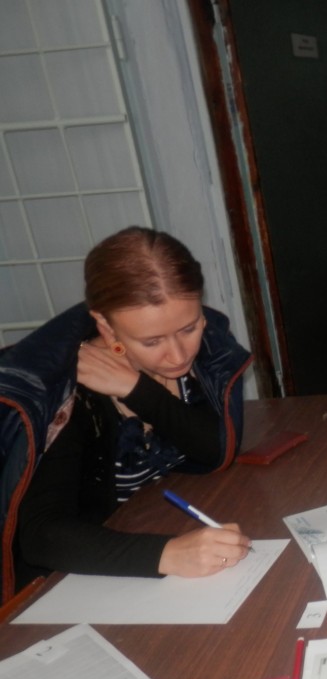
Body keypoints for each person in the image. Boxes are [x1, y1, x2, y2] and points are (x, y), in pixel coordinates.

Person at [0, 226, 254, 603]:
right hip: (69, 581)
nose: (178, 354)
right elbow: (41, 537)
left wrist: (136, 389)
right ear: (105, 325)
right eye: (151, 341)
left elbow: (215, 449)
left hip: (139, 529)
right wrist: (169, 554)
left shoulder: (205, 341)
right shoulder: (65, 392)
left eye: (189, 328)